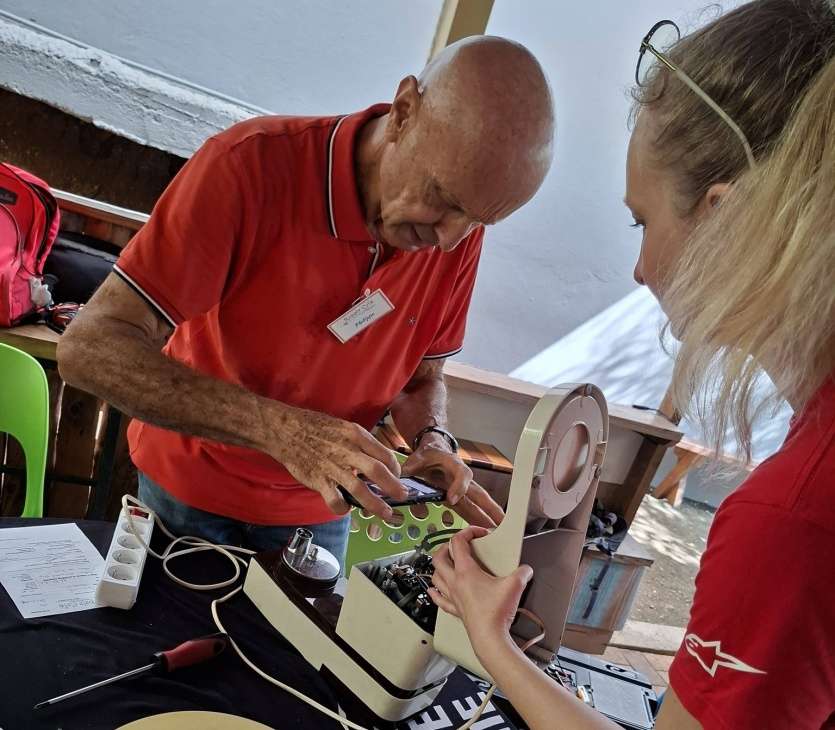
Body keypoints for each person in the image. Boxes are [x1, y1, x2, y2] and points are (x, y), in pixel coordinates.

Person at [429, 2, 835, 728]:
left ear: (724, 220)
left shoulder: (792, 517)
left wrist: (493, 641)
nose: (641, 269)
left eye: (642, 221)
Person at [56, 36, 555, 562]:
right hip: (191, 489)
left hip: (322, 509)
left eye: (478, 220)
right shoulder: (247, 167)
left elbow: (422, 379)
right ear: (404, 112)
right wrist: (283, 432)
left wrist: (432, 438)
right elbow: (88, 349)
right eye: (443, 199)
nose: (450, 240)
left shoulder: (454, 233)